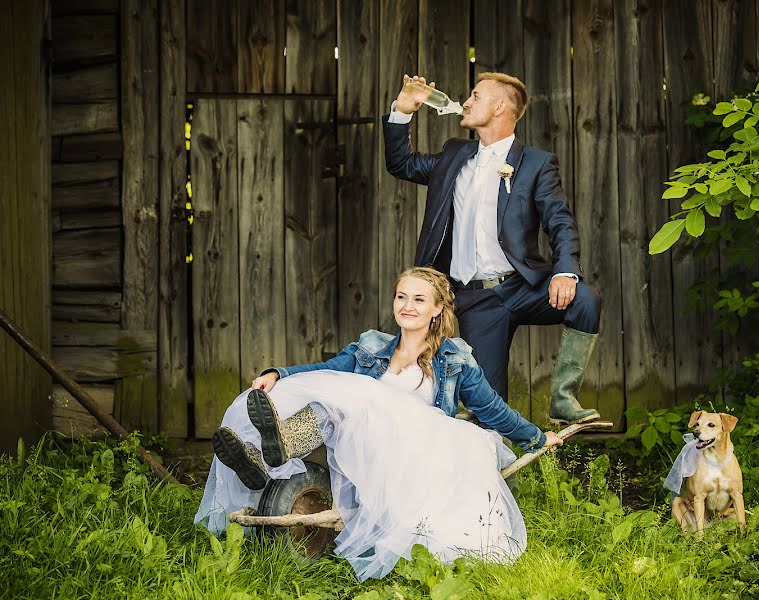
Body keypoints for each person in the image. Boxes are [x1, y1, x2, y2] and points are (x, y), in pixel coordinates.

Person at [195, 266, 562, 581]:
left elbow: (491, 408)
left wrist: (534, 436)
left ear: (437, 309)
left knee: (352, 399)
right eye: (401, 297)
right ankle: (260, 459)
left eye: (419, 299)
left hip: (417, 453)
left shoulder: (454, 358)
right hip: (367, 450)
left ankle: (270, 455)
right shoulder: (371, 349)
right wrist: (280, 373)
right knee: (333, 397)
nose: (407, 306)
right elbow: (327, 370)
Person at [382, 73, 603, 425]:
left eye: (475, 95)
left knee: (585, 299)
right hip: (476, 300)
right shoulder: (454, 154)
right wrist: (402, 110)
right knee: (487, 408)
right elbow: (402, 164)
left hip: (523, 286)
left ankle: (563, 398)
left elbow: (559, 220)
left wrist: (565, 271)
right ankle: (489, 475)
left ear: (500, 106)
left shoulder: (535, 163)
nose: (465, 102)